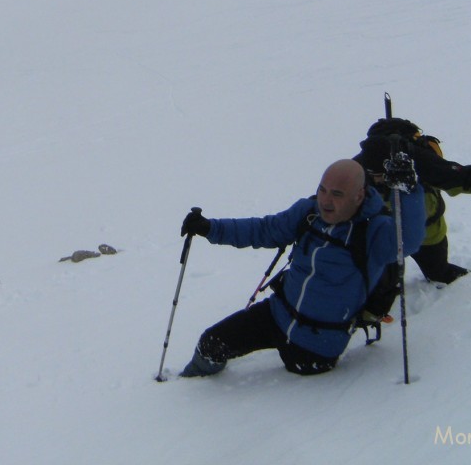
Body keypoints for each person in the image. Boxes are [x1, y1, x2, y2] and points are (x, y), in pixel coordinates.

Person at [176, 157, 425, 378]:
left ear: (359, 196)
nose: (326, 200)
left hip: (317, 346)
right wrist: (210, 228)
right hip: (277, 314)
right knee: (210, 344)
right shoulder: (308, 213)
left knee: (292, 382)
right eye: (322, 189)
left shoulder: (374, 232)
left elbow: (409, 241)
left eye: (337, 194)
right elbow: (264, 230)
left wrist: (409, 191)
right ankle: (185, 388)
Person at [352, 117, 471, 326]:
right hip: (393, 235)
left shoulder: (417, 160)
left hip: (424, 231)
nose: (377, 179)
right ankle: (371, 312)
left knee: (435, 272)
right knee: (383, 286)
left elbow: (457, 175)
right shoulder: (360, 165)